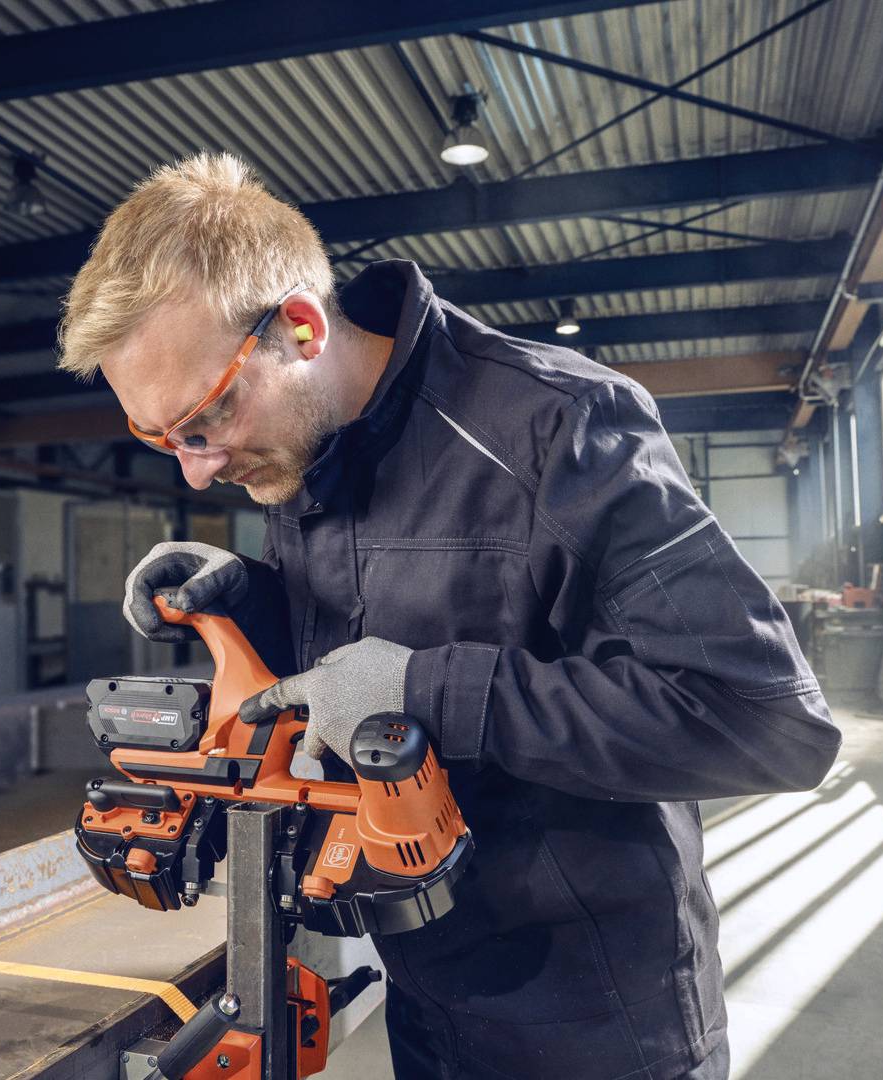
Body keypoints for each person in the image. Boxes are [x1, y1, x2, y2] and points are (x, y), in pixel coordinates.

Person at [58, 153, 840, 1080]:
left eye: (203, 420)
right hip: (428, 1008)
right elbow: (379, 631)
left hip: (597, 1030)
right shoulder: (305, 446)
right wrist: (254, 602)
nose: (192, 468)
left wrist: (426, 691)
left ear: (300, 330)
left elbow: (769, 722)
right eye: (160, 438)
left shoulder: (558, 427)